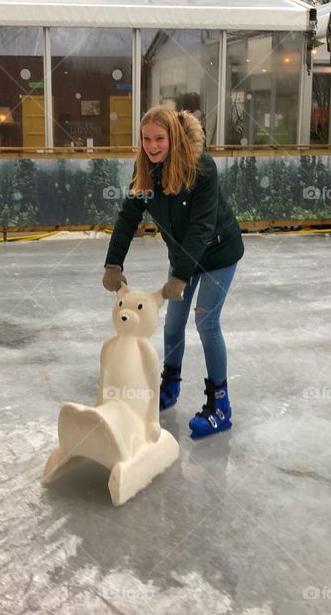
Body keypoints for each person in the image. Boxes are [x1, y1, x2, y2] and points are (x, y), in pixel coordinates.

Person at [101, 106, 244, 440]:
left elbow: (201, 226)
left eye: (159, 138)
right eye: (146, 139)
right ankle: (171, 384)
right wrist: (113, 263)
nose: (152, 146)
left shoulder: (200, 168)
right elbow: (127, 217)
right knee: (173, 322)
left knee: (206, 322)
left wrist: (179, 277)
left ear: (173, 137)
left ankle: (220, 405)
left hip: (218, 253)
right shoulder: (147, 172)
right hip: (183, 256)